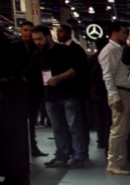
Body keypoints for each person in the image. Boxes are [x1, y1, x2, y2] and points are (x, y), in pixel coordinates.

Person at [31, 26, 89, 169]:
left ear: (48, 36)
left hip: (69, 94)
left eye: (39, 39)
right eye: (35, 40)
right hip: (50, 96)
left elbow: (77, 69)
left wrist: (59, 78)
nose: (37, 42)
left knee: (74, 127)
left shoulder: (66, 51)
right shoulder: (38, 55)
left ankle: (78, 156)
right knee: (58, 128)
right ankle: (62, 155)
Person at [98, 21, 130, 175]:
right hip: (120, 92)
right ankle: (113, 163)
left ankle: (121, 160)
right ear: (115, 33)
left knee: (124, 130)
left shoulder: (118, 49)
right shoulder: (109, 51)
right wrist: (115, 97)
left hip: (126, 92)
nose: (126, 35)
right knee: (118, 130)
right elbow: (107, 76)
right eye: (124, 32)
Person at [1, 30, 31, 185]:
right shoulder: (10, 45)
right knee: (13, 137)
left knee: (12, 137)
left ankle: (17, 179)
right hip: (12, 92)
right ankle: (16, 178)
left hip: (8, 94)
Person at [16, 20, 47, 157]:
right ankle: (22, 149)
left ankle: (33, 147)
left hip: (35, 90)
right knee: (19, 122)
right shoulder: (14, 48)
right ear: (21, 31)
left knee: (32, 120)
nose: (28, 33)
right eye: (25, 30)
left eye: (30, 30)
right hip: (18, 89)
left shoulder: (39, 48)